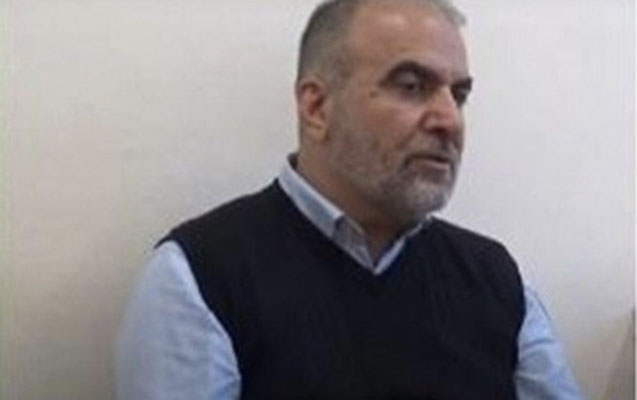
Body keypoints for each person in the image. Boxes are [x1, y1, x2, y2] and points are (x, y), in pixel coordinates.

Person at [117, 0, 584, 398]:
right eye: (411, 86)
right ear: (317, 108)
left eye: (458, 95)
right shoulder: (200, 278)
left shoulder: (496, 279)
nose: (449, 120)